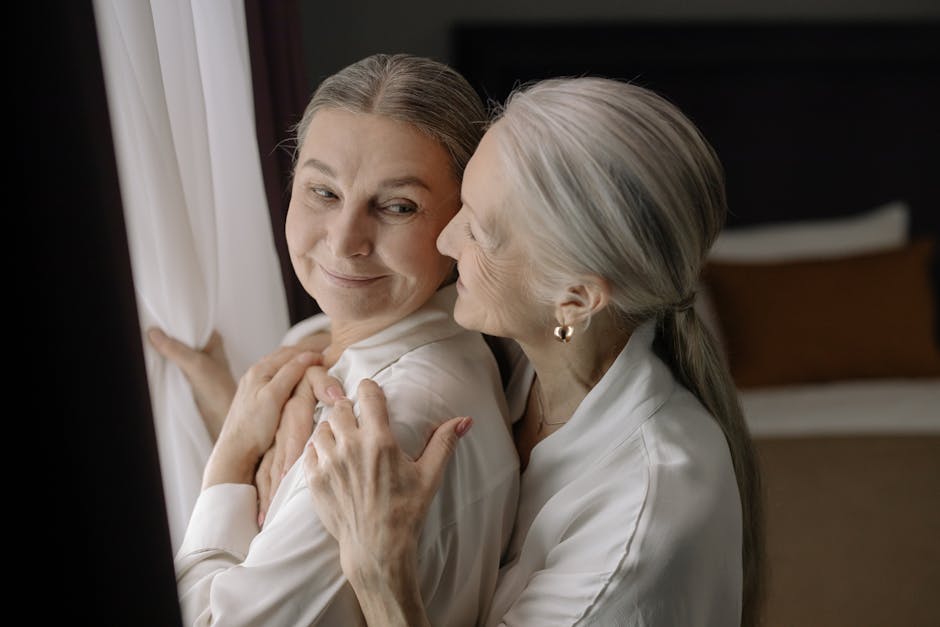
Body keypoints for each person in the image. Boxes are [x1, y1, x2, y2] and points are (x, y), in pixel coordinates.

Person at [301, 77, 765, 626]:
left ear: (574, 300)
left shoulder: (642, 514)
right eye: (462, 206)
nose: (446, 242)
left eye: (479, 232)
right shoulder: (523, 341)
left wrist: (381, 570)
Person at [165, 53, 520, 625]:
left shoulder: (383, 426)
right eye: (323, 192)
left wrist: (230, 461)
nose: (344, 240)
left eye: (397, 206)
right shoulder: (321, 337)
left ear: (462, 221)